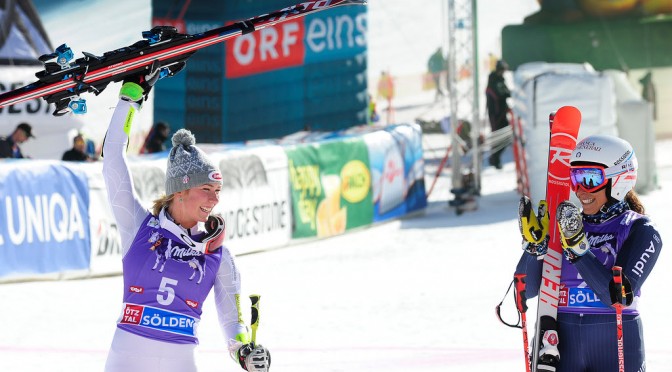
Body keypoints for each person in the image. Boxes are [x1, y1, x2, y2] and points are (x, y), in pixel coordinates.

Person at [102, 74, 271, 371]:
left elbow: (233, 322)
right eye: (206, 189)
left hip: (179, 361)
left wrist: (244, 350)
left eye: (218, 192)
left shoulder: (218, 254)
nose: (214, 199)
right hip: (126, 357)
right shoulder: (139, 227)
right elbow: (113, 158)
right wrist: (130, 100)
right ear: (179, 189)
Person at [515, 134, 662, 371]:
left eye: (590, 179)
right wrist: (535, 249)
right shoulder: (565, 225)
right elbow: (526, 291)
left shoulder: (640, 229)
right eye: (575, 178)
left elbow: (618, 298)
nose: (581, 189)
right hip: (563, 343)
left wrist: (579, 252)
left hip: (615, 342)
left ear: (619, 179)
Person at [485, 60, 511, 169]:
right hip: (495, 115)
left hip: (502, 113)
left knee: (507, 137)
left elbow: (507, 93)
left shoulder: (501, 79)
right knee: (497, 137)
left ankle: (495, 158)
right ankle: (494, 159)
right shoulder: (493, 80)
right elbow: (499, 95)